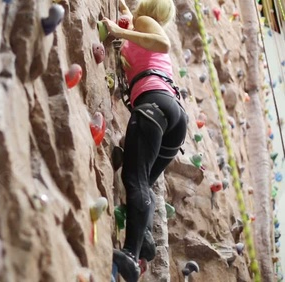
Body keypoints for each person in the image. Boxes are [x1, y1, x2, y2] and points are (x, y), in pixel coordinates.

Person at [102, 0, 188, 281]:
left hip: (154, 104)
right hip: (174, 116)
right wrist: (124, 18)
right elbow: (132, 22)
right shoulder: (140, 26)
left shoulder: (146, 24)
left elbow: (163, 44)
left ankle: (129, 254)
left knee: (135, 179)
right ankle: (146, 237)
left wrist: (118, 30)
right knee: (145, 183)